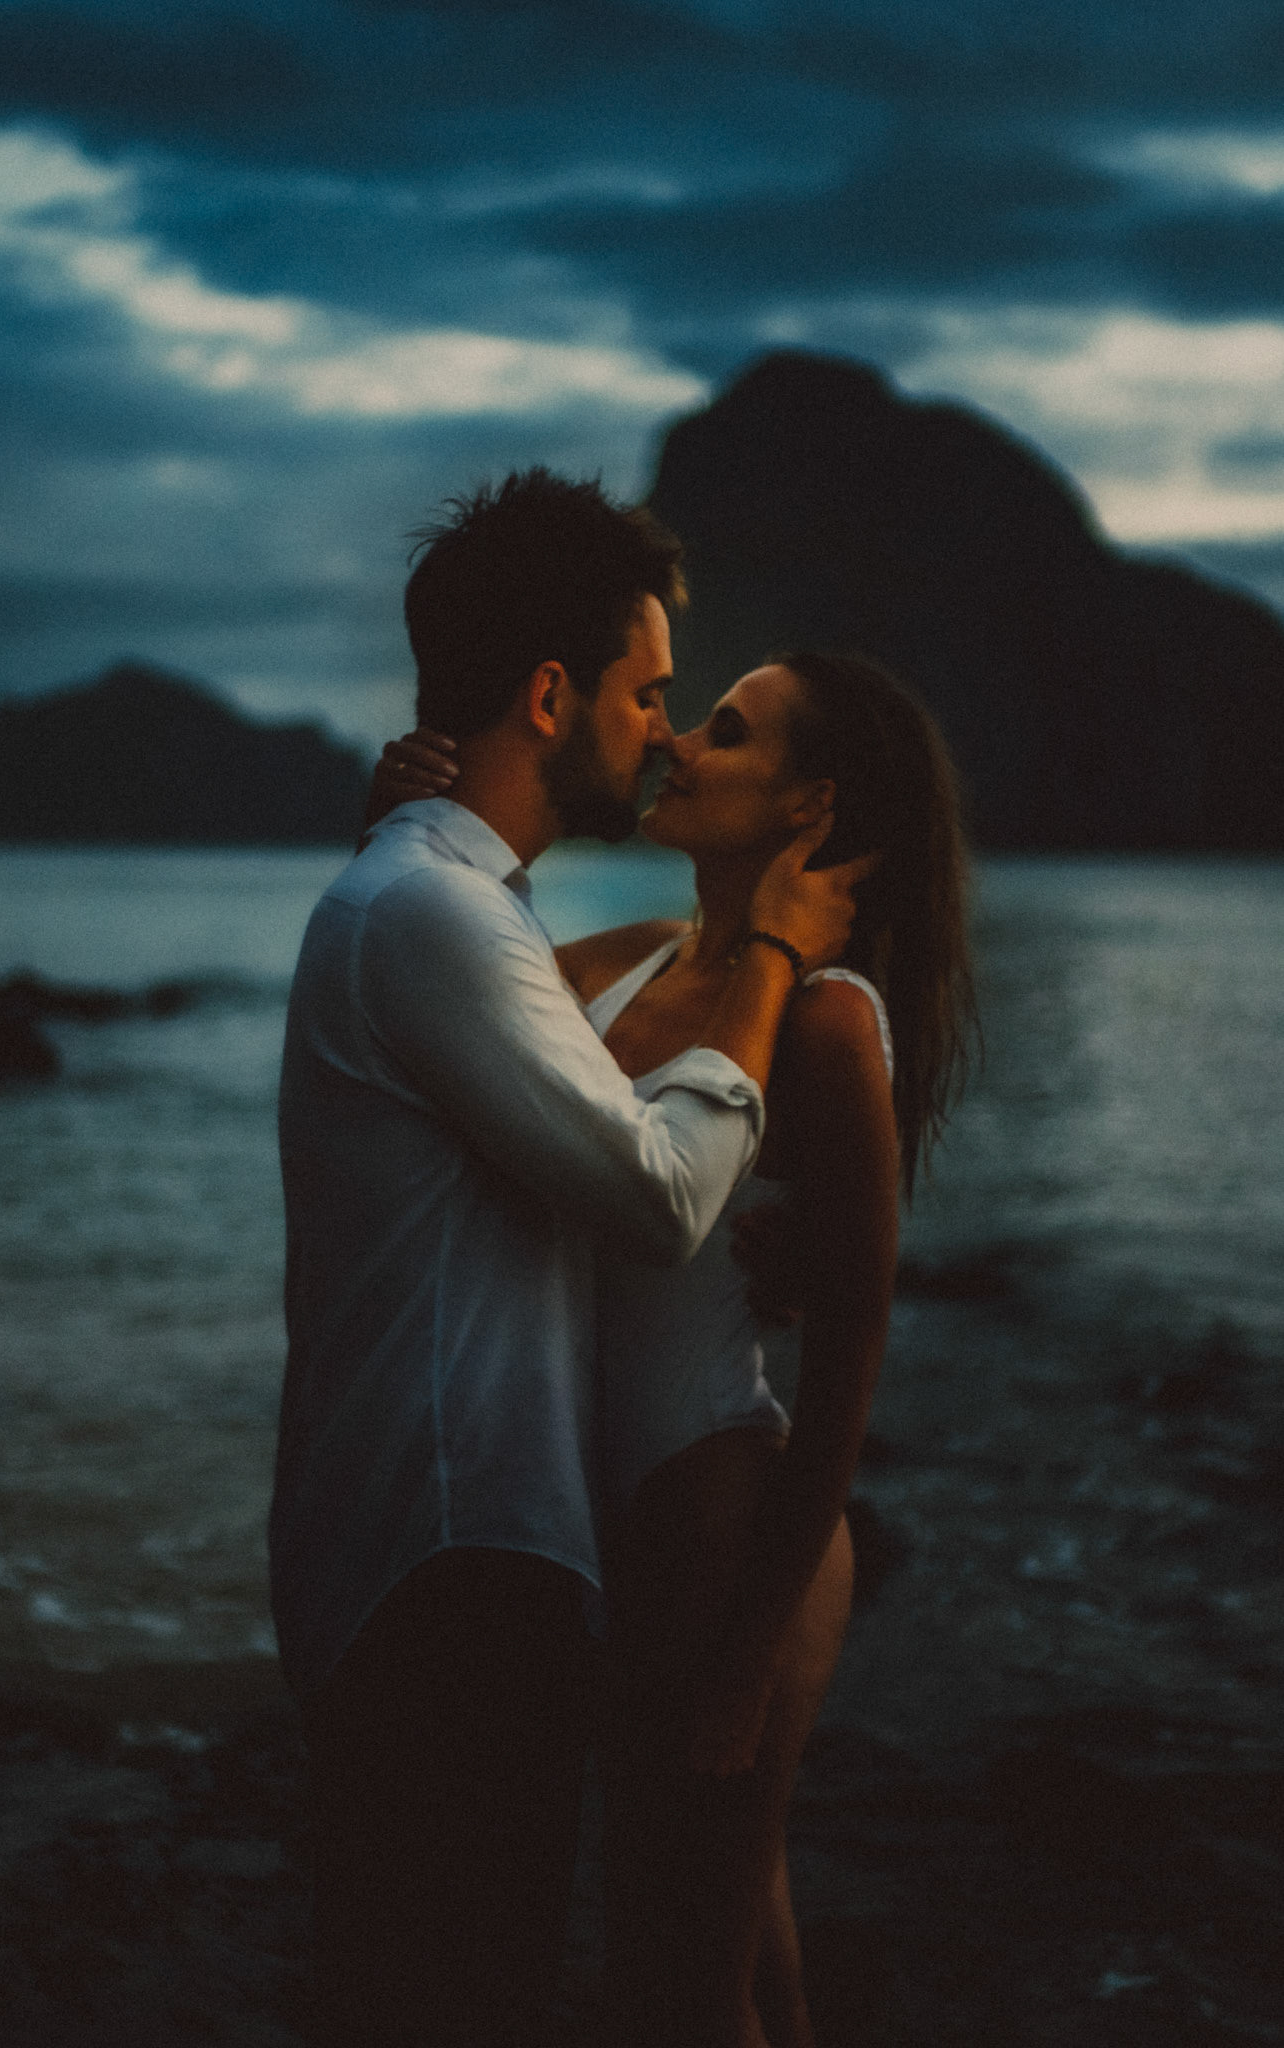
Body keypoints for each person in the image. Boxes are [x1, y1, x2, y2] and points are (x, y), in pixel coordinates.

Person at [270, 471, 873, 2047]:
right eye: (652, 694)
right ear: (550, 696)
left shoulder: (449, 913)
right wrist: (768, 951)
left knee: (663, 1970)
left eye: (698, 715)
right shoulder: (438, 918)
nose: (663, 734)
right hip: (455, 1568)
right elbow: (663, 1194)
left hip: (480, 1561)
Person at [380, 648, 977, 2046]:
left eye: (724, 732)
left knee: (675, 1976)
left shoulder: (826, 1020)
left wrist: (751, 1649)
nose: (677, 746)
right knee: (732, 1933)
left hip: (717, 1501)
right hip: (600, 1508)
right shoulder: (622, 956)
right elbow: (446, 951)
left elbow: (854, 1337)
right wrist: (406, 813)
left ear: (804, 805)